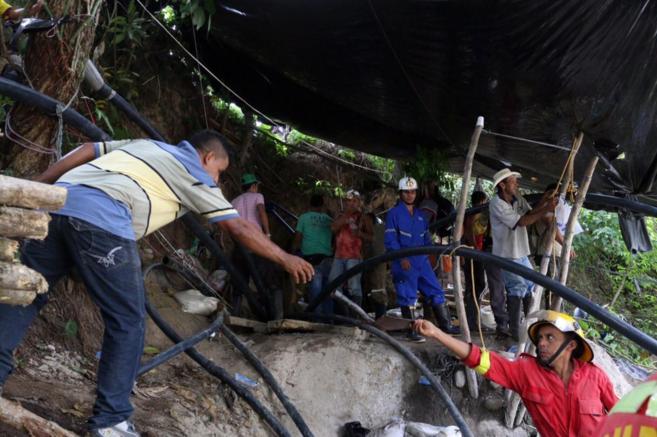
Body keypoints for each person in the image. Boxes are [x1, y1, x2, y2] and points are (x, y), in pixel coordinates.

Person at [0, 130, 313, 437]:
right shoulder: (193, 174)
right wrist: (287, 259)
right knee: (128, 321)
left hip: (57, 207)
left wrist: (37, 188)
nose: (217, 181)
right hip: (103, 220)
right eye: (219, 171)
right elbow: (239, 227)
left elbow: (86, 150)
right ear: (207, 158)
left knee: (27, 294)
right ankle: (110, 422)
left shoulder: (145, 145)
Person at [414, 310, 618, 436]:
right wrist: (438, 334)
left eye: (550, 337)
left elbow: (623, 415)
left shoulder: (595, 376)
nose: (541, 343)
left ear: (571, 344)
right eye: (540, 338)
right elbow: (481, 359)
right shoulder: (526, 371)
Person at [385, 176, 458, 343]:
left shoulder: (419, 215)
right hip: (404, 261)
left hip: (422, 261)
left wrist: (430, 255)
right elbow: (390, 240)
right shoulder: (394, 214)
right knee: (408, 295)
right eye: (406, 192)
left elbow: (427, 239)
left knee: (436, 290)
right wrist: (400, 257)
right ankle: (412, 331)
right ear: (401, 193)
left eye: (412, 192)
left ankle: (446, 326)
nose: (410, 195)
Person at [489, 168, 557, 340]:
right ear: (503, 185)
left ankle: (531, 327)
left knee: (530, 287)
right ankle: (515, 331)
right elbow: (522, 222)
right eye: (513, 181)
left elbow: (529, 213)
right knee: (517, 288)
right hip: (507, 254)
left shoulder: (517, 198)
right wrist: (546, 207)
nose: (516, 184)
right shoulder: (497, 203)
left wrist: (544, 200)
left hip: (521, 252)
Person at [230, 173, 277, 312]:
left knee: (239, 279)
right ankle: (271, 312)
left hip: (239, 243)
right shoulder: (258, 197)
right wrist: (267, 233)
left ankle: (236, 312)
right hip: (255, 242)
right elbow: (262, 212)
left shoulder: (234, 201)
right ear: (254, 186)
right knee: (264, 278)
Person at [328, 189, 372, 308]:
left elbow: (373, 237)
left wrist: (360, 234)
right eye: (349, 201)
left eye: (354, 201)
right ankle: (342, 315)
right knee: (334, 285)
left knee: (354, 287)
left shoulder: (363, 217)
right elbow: (332, 229)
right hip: (338, 256)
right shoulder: (340, 215)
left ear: (359, 202)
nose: (351, 203)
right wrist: (344, 219)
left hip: (355, 257)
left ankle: (356, 317)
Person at [292, 194, 334, 315]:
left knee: (315, 291)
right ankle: (330, 319)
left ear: (309, 205)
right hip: (328, 258)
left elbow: (298, 237)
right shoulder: (328, 220)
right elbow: (335, 236)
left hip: (312, 259)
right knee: (329, 291)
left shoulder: (304, 218)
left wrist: (293, 251)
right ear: (322, 205)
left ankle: (318, 319)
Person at [462, 190, 490, 332]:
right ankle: (472, 322)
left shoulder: (476, 214)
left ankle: (474, 320)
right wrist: (474, 248)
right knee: (474, 287)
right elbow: (469, 232)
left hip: (476, 252)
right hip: (473, 254)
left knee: (477, 286)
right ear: (481, 201)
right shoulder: (473, 214)